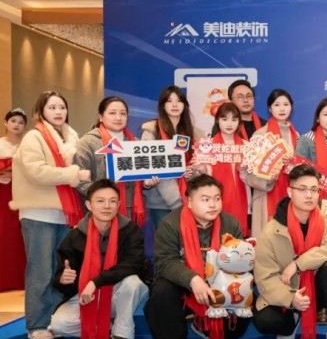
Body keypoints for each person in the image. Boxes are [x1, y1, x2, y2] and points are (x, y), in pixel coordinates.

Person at [11, 91, 91, 339]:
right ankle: (36, 324)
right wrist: (73, 174)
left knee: (61, 270)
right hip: (39, 213)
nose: (58, 112)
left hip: (65, 214)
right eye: (52, 107)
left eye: (62, 107)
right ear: (40, 111)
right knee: (40, 269)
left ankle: (55, 319)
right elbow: (36, 172)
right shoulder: (33, 137)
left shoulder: (72, 138)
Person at [144, 174, 249, 339]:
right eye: (205, 200)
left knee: (233, 329)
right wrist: (193, 279)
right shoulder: (170, 224)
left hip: (219, 283)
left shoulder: (230, 223)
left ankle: (204, 327)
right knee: (162, 291)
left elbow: (239, 262)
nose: (213, 205)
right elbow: (165, 262)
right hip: (183, 283)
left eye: (217, 198)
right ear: (189, 202)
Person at [252, 164, 327, 339]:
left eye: (314, 189)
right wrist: (290, 298)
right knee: (265, 320)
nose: (309, 195)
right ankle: (293, 318)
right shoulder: (272, 229)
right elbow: (265, 277)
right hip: (290, 290)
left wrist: (298, 263)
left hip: (320, 286)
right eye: (302, 189)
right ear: (290, 192)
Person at [50, 179, 149, 339]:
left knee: (133, 283)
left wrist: (96, 282)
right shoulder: (75, 236)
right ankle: (103, 329)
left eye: (112, 201)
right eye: (100, 201)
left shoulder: (130, 230)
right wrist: (63, 280)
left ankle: (120, 335)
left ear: (119, 204)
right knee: (59, 325)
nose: (107, 206)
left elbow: (134, 264)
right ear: (89, 205)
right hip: (86, 295)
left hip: (116, 291)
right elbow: (61, 280)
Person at [74, 97, 154, 226]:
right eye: (112, 113)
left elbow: (141, 177)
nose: (118, 118)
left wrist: (147, 183)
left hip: (130, 209)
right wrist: (104, 198)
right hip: (99, 211)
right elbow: (80, 180)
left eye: (123, 113)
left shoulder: (136, 144)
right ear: (101, 117)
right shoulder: (87, 143)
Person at [140, 85, 206, 231]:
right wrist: (179, 202)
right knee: (166, 241)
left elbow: (197, 169)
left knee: (188, 241)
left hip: (190, 199)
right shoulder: (151, 131)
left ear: (185, 105)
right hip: (160, 203)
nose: (175, 105)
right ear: (163, 105)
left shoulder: (195, 133)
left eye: (179, 101)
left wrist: (193, 171)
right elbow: (149, 165)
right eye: (169, 101)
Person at [246, 88, 299, 232]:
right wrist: (269, 179)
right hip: (266, 195)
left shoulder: (297, 135)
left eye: (286, 104)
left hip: (291, 193)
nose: (282, 109)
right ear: (270, 108)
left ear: (291, 107)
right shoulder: (260, 135)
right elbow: (249, 173)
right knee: (268, 237)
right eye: (277, 104)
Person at [207, 102, 250, 236]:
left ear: (239, 122)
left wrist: (244, 170)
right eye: (225, 119)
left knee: (238, 237)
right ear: (217, 120)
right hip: (214, 199)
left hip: (241, 199)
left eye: (234, 119)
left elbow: (252, 180)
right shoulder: (208, 146)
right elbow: (205, 178)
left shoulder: (247, 146)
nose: (229, 124)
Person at [0, 108, 28, 292]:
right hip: (2, 193)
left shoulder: (26, 146)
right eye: (13, 121)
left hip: (22, 193)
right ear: (5, 123)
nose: (17, 125)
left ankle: (20, 280)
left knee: (20, 235)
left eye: (21, 122)